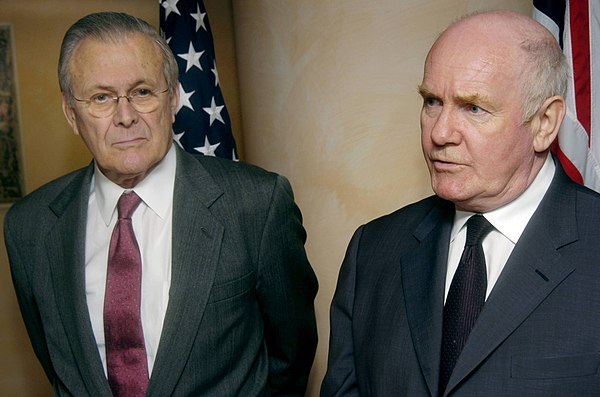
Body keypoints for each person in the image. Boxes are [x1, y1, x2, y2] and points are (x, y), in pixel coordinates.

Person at [4, 12, 318, 396]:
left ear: (173, 100)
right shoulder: (29, 226)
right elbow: (56, 362)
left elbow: (291, 356)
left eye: (142, 92)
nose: (125, 117)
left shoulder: (255, 205)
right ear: (72, 114)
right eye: (101, 97)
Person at [321, 10, 600, 396]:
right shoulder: (374, 249)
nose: (440, 132)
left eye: (473, 108)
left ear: (544, 123)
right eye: (432, 101)